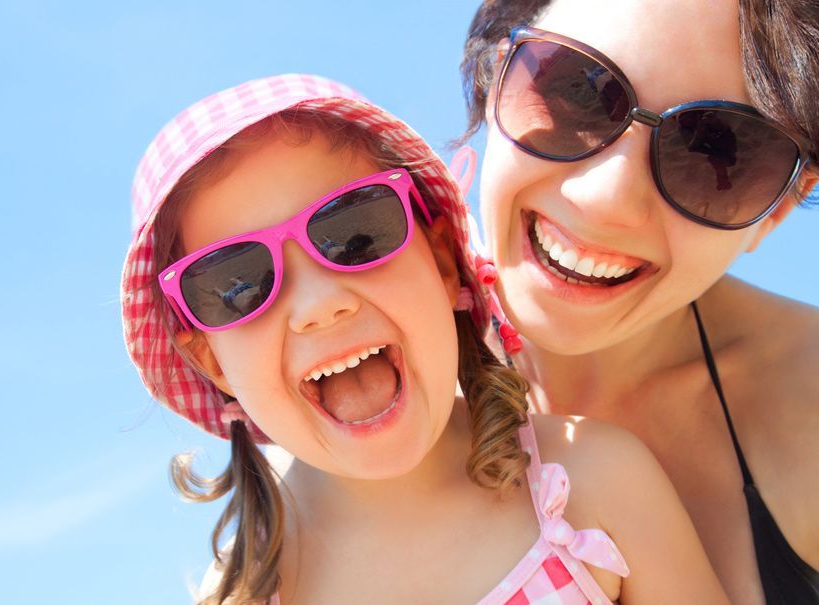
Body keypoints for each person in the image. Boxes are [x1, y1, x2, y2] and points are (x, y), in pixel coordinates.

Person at [120, 74, 726, 604]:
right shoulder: (249, 590)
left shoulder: (594, 481)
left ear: (439, 261)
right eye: (235, 284)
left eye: (355, 231)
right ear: (211, 362)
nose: (318, 305)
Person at [458, 1, 818, 603]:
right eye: (576, 89)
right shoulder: (358, 385)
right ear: (495, 78)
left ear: (778, 208)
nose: (607, 199)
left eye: (716, 152)